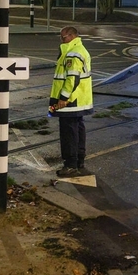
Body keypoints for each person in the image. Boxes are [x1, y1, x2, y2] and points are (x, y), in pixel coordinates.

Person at [50, 26, 94, 177]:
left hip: (70, 101)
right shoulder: (78, 50)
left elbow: (72, 79)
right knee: (78, 129)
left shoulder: (72, 53)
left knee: (68, 133)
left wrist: (63, 98)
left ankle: (70, 165)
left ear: (71, 36)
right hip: (79, 99)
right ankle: (79, 162)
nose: (61, 40)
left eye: (63, 37)